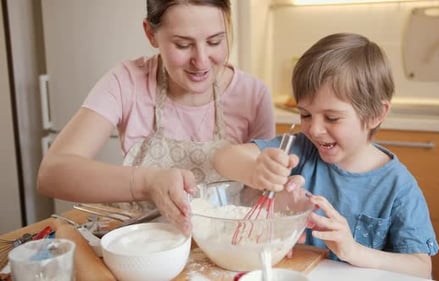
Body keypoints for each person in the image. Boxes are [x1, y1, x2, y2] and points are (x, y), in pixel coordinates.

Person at [37, 0, 275, 235]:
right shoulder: (126, 82)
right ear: (150, 33)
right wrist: (148, 183)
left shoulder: (253, 95)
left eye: (215, 41)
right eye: (182, 45)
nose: (201, 60)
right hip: (141, 248)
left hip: (223, 253)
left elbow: (265, 195)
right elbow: (52, 173)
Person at [213, 33, 439, 278]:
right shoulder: (300, 150)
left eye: (332, 118)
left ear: (376, 114)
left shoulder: (399, 187)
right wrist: (257, 169)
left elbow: (420, 267)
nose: (314, 129)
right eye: (306, 115)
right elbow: (224, 158)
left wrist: (354, 251)